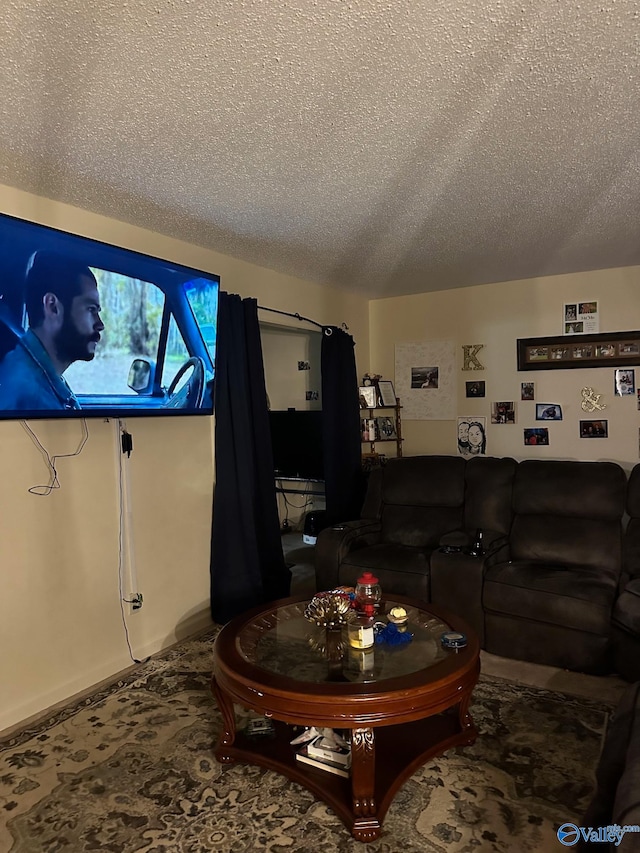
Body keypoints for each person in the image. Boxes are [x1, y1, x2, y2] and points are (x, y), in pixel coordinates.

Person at [0, 251, 104, 411]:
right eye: (91, 309)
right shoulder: (32, 399)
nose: (100, 324)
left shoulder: (33, 369)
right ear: (52, 306)